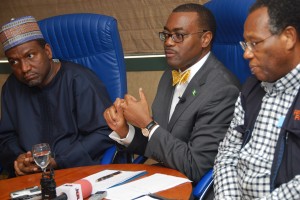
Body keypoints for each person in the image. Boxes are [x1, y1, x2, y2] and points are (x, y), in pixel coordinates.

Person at [104, 2, 240, 193]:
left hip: (194, 189)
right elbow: (161, 143)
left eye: (179, 36)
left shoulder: (223, 90)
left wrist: (148, 124)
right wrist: (125, 130)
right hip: (164, 179)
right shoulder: (170, 74)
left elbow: (197, 167)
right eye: (167, 35)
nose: (168, 42)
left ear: (205, 39)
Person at [0, 16, 114, 177]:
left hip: (77, 172)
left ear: (47, 51)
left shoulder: (79, 80)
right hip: (30, 178)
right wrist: (19, 159)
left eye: (30, 56)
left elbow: (105, 132)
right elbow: (6, 138)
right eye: (14, 62)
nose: (24, 68)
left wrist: (60, 160)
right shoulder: (12, 87)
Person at [214, 0, 300, 199]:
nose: (246, 53)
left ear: (289, 37)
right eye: (245, 44)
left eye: (255, 43)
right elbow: (227, 154)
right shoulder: (251, 88)